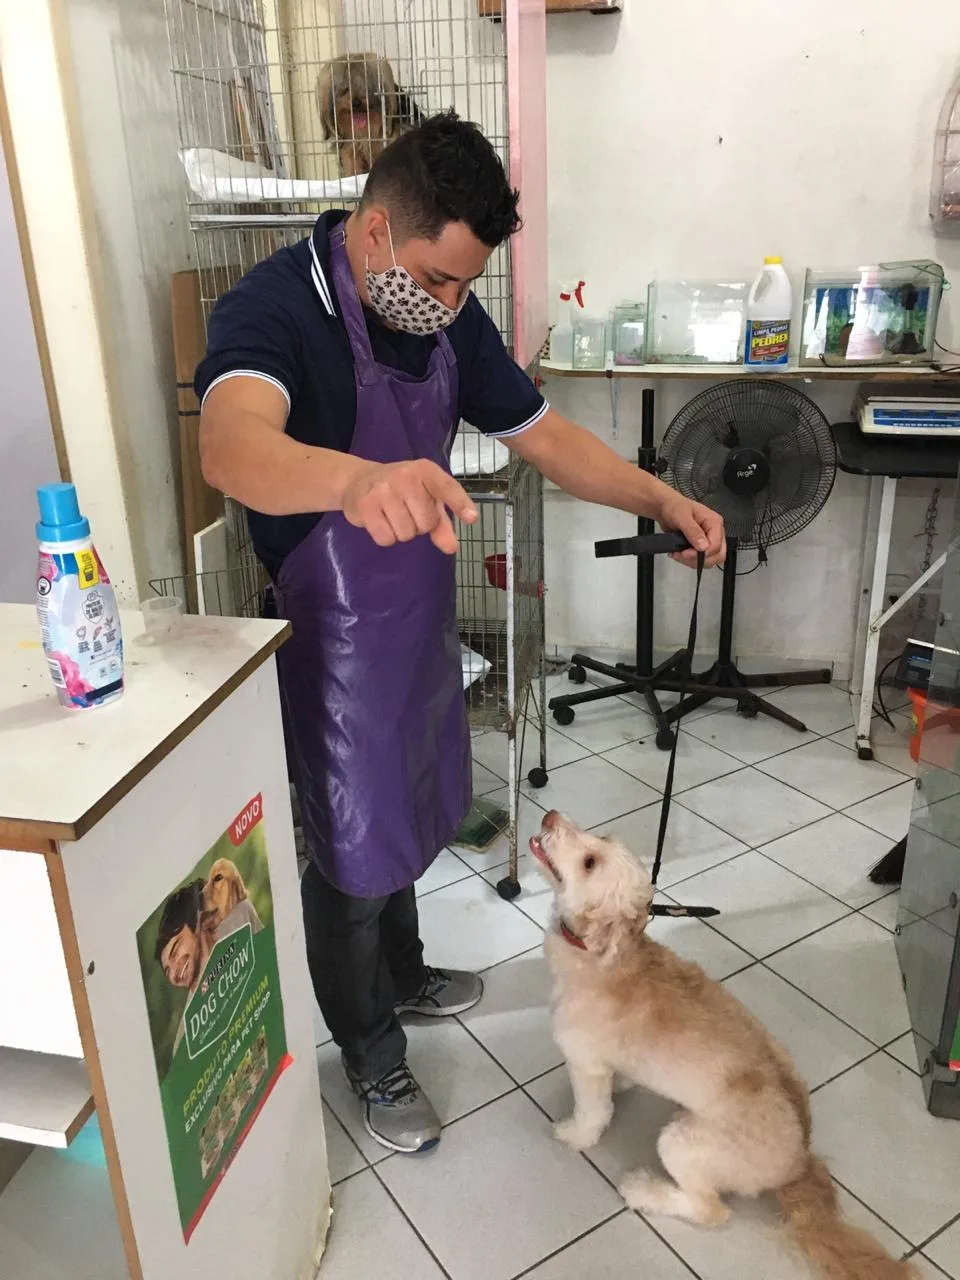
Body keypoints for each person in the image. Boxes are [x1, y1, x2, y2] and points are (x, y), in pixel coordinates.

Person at [195, 111, 725, 1156]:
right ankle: (372, 1050)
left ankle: (406, 969)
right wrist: (356, 479)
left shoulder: (447, 316)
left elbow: (548, 435)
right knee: (349, 851)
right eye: (435, 278)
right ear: (378, 230)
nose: (447, 304)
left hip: (416, 617)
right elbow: (231, 444)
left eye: (464, 286)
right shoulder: (276, 308)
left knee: (416, 804)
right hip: (329, 633)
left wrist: (660, 498)